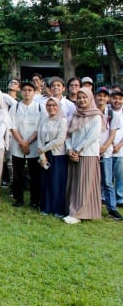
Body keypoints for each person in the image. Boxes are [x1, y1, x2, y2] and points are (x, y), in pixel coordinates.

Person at [63, 88, 103, 224]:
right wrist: (69, 149)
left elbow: (92, 136)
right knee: (75, 183)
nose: (81, 100)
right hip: (74, 153)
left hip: (87, 154)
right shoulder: (75, 115)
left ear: (90, 98)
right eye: (79, 97)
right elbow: (68, 135)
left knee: (84, 184)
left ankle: (79, 213)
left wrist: (78, 150)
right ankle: (72, 210)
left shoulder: (96, 115)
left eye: (84, 97)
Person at [9, 82, 42, 208]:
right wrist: (22, 142)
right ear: (20, 92)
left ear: (34, 92)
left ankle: (35, 200)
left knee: (35, 175)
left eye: (29, 90)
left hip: (33, 145)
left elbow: (40, 128)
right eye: (24, 90)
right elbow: (12, 127)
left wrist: (28, 142)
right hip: (18, 145)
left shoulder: (39, 107)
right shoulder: (15, 107)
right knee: (17, 174)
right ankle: (18, 199)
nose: (27, 92)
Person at [37, 97, 68, 217]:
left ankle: (57, 209)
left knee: (57, 182)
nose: (51, 107)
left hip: (57, 155)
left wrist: (43, 149)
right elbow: (40, 137)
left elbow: (60, 140)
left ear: (58, 107)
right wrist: (42, 155)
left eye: (54, 105)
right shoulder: (44, 120)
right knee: (46, 181)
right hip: (45, 155)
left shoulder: (62, 120)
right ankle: (46, 207)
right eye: (49, 105)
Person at [94, 87, 122, 220]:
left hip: (106, 152)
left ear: (107, 98)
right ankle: (94, 205)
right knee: (93, 180)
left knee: (107, 181)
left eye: (104, 96)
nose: (101, 98)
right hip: (91, 151)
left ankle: (112, 208)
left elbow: (112, 134)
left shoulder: (112, 114)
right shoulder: (91, 112)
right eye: (99, 95)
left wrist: (104, 147)